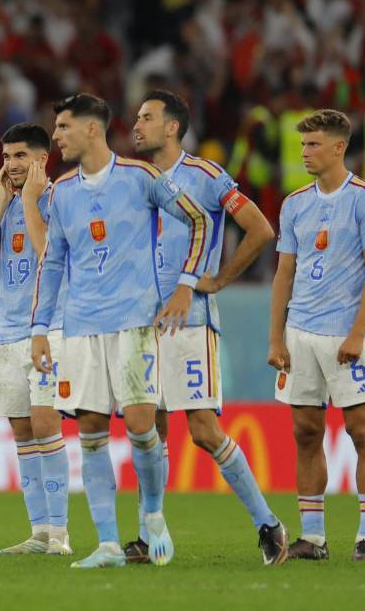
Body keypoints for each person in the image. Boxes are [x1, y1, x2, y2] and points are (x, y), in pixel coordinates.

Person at [29, 93, 213, 569]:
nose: (56, 137)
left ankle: (152, 514)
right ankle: (108, 544)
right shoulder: (60, 192)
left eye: (64, 127)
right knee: (89, 431)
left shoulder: (141, 177)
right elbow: (52, 263)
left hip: (134, 323)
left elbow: (198, 221)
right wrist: (39, 328)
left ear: (93, 130)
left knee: (139, 425)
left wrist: (186, 284)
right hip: (81, 327)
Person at [132, 89, 288, 565]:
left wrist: (218, 279)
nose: (136, 125)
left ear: (173, 126)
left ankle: (269, 525)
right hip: (141, 319)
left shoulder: (206, 176)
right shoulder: (134, 179)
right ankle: (149, 533)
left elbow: (261, 229)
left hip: (190, 318)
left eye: (147, 117)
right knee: (147, 427)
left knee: (201, 429)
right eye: (136, 117)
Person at [268, 110, 365, 562]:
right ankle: (313, 537)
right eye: (302, 145)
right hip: (299, 335)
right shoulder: (294, 202)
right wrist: (275, 339)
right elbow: (284, 273)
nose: (304, 152)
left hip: (345, 335)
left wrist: (358, 334)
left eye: (313, 145)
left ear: (338, 148)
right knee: (305, 432)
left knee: (361, 432)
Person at [0, 123, 71, 556]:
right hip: (5, 331)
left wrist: (27, 200)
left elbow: (49, 255)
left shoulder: (59, 199)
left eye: (21, 156)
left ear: (43, 159)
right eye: (7, 156)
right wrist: (1, 200)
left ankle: (61, 534)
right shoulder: (4, 204)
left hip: (47, 328)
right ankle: (39, 532)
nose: (11, 164)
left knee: (46, 422)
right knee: (21, 427)